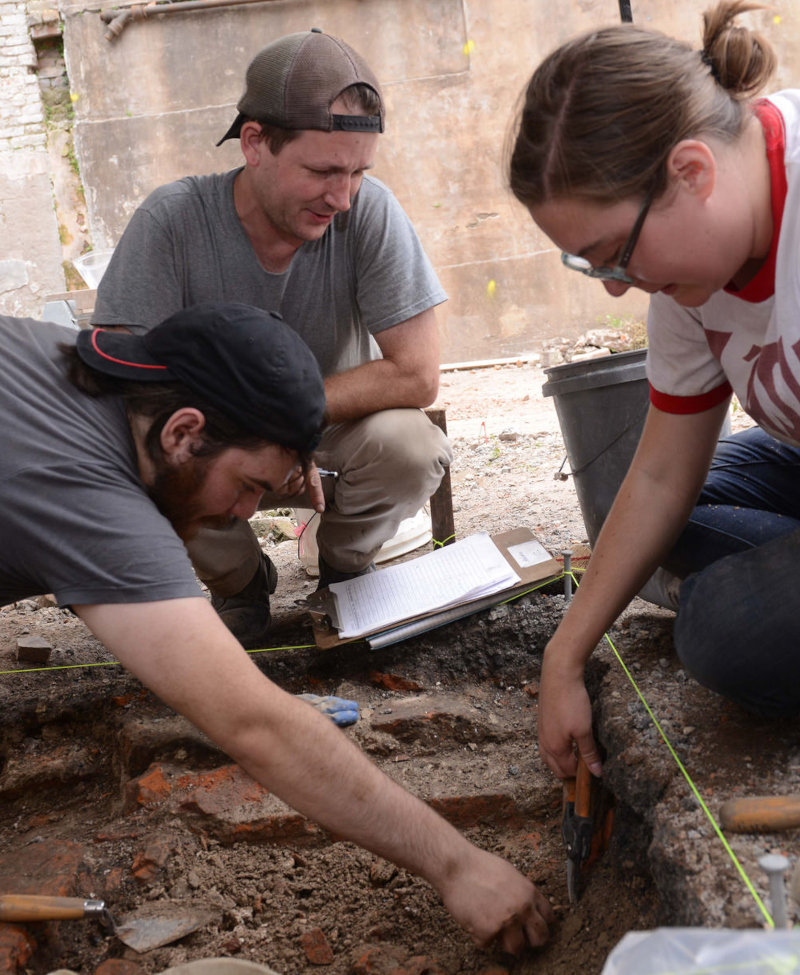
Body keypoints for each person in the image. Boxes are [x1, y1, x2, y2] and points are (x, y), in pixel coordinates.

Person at [0, 304, 554, 952]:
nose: (245, 511)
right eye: (247, 485)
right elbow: (257, 723)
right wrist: (459, 866)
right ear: (184, 432)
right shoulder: (90, 492)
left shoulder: (66, 364)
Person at [507, 0, 800, 779]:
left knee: (720, 627)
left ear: (693, 171)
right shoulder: (690, 277)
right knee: (638, 519)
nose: (616, 290)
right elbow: (666, 473)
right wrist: (563, 656)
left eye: (613, 256)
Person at [91, 29, 452, 648]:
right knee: (144, 443)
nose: (342, 197)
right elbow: (124, 379)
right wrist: (258, 429)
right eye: (321, 171)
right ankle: (237, 579)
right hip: (215, 426)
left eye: (359, 173)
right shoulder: (172, 220)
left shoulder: (370, 210)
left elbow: (417, 374)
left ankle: (342, 568)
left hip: (333, 418)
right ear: (255, 143)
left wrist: (295, 421)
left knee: (411, 446)